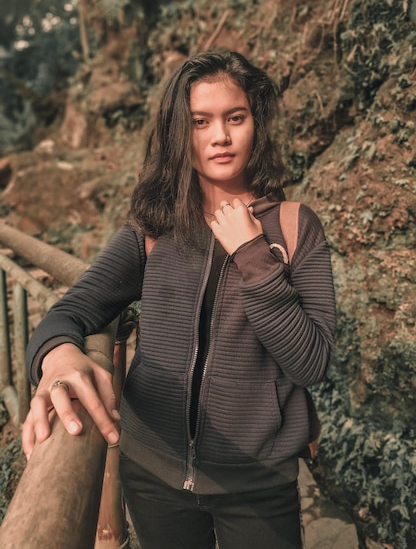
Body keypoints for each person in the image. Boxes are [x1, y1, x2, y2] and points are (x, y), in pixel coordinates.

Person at [23, 50, 336, 549]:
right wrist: (58, 355)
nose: (221, 137)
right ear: (177, 131)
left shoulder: (296, 228)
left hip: (258, 483)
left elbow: (312, 362)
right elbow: (70, 311)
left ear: (255, 121)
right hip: (152, 475)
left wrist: (254, 254)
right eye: (200, 121)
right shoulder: (153, 229)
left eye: (236, 117)